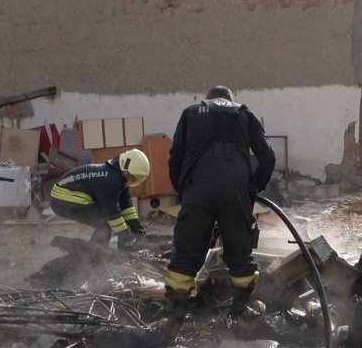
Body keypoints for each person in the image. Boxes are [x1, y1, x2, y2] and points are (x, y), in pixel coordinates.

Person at [162, 85, 276, 330]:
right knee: (240, 255)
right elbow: (268, 157)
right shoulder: (246, 114)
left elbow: (175, 157)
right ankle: (240, 311)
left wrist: (186, 192)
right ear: (231, 100)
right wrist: (251, 189)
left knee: (187, 254)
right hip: (236, 191)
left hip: (197, 190)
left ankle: (175, 320)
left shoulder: (191, 113)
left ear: (208, 99)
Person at [49, 148, 149, 249]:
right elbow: (112, 213)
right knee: (104, 222)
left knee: (106, 223)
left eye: (135, 180)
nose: (132, 181)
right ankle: (94, 257)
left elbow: (126, 205)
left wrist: (136, 225)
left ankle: (96, 252)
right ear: (125, 169)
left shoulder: (118, 177)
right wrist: (126, 235)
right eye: (132, 178)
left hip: (65, 195)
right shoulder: (110, 179)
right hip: (62, 197)